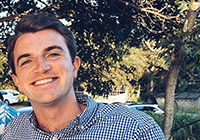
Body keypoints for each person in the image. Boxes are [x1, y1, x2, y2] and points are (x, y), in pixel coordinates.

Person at [1, 13, 165, 139]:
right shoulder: (13, 132)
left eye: (53, 54)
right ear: (17, 82)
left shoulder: (135, 129)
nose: (41, 67)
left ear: (74, 66)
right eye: (26, 61)